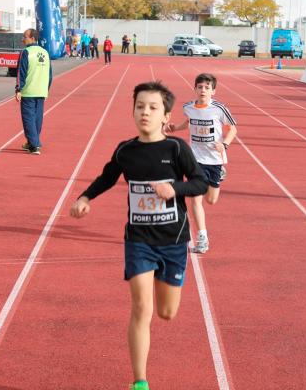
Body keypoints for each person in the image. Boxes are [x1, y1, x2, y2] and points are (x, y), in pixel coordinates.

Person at [69, 81, 207, 390]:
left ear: (165, 116)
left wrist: (176, 188)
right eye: (140, 106)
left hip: (173, 241)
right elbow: (107, 176)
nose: (145, 112)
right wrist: (85, 198)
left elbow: (200, 183)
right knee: (141, 309)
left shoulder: (176, 148)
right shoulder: (126, 150)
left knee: (166, 313)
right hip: (138, 241)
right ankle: (140, 381)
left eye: (153, 107)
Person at [163, 73, 237, 254]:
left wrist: (225, 144)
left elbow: (233, 128)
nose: (203, 90)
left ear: (213, 91)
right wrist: (175, 128)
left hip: (214, 159)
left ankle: (220, 174)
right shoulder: (188, 107)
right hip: (195, 158)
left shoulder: (219, 109)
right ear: (195, 89)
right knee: (195, 199)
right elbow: (189, 123)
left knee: (211, 200)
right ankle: (202, 238)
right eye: (200, 87)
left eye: (207, 87)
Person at [15, 28, 52, 155]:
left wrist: (18, 89)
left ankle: (35, 145)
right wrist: (46, 89)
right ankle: (31, 142)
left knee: (28, 118)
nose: (22, 39)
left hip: (29, 90)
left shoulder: (26, 52)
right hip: (41, 90)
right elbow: (50, 74)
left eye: (25, 36)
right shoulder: (45, 52)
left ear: (32, 38)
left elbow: (21, 72)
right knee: (37, 118)